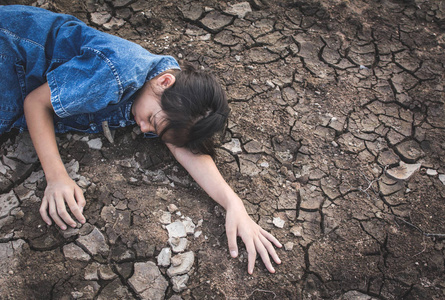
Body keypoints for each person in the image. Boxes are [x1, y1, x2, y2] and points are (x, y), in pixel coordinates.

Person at [0, 5, 282, 274]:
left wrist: (235, 205)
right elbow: (36, 103)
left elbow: (184, 148)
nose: (144, 128)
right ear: (164, 83)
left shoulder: (170, 88)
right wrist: (57, 178)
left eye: (154, 130)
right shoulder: (116, 74)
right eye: (152, 121)